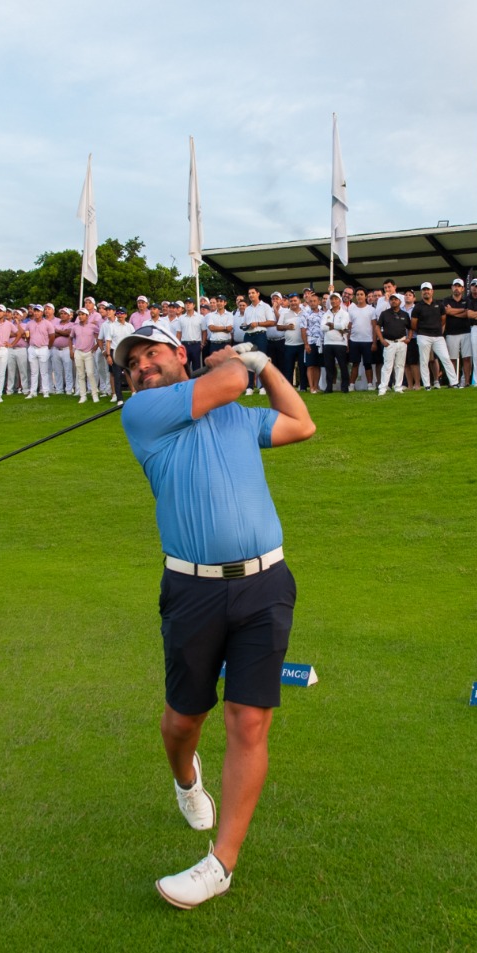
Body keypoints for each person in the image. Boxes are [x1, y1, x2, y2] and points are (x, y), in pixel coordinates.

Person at [113, 321, 315, 910]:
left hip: (266, 583)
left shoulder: (234, 413)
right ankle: (185, 779)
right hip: (192, 590)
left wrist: (266, 365)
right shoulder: (144, 414)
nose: (142, 368)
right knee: (182, 722)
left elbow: (302, 423)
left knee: (248, 722)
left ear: (180, 355)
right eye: (132, 365)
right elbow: (226, 382)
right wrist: (236, 360)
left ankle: (220, 863)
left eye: (151, 355)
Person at [374, 290, 413, 394]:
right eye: (391, 300)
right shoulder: (384, 313)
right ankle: (383, 387)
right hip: (389, 342)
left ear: (400, 301)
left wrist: (409, 338)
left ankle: (398, 387)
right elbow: (377, 327)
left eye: (395, 299)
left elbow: (410, 328)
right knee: (387, 365)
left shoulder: (405, 314)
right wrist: (382, 340)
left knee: (400, 365)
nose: (393, 301)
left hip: (401, 342)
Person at [442, 279, 472, 387]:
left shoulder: (467, 300)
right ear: (452, 287)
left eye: (459, 286)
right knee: (452, 359)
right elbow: (446, 311)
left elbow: (467, 314)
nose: (456, 288)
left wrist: (452, 311)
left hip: (466, 332)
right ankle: (453, 381)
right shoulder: (446, 300)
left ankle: (467, 382)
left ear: (463, 288)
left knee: (467, 358)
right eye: (455, 286)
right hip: (451, 333)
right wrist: (461, 310)